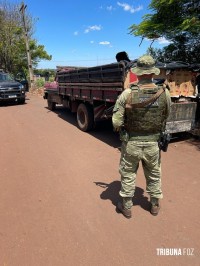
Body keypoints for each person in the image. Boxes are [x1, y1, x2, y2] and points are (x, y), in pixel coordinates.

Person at [112, 54, 171, 219]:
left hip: (131, 143)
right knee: (154, 174)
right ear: (153, 73)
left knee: (128, 174)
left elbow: (116, 122)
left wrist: (123, 128)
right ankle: (154, 205)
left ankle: (127, 207)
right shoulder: (164, 93)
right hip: (153, 143)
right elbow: (167, 115)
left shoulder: (127, 93)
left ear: (137, 73)